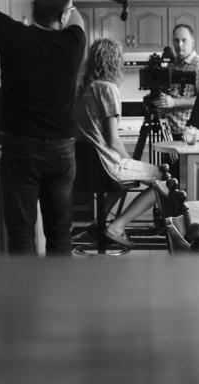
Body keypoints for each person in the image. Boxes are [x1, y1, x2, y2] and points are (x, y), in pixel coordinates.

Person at [0, 0, 86, 256]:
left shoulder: (12, 35)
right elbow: (77, 19)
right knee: (60, 233)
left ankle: (24, 299)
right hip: (61, 150)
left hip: (20, 149)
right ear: (62, 16)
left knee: (21, 235)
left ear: (33, 10)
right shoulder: (73, 43)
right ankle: (59, 296)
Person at [74, 38, 166, 248]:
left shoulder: (82, 89)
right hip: (107, 164)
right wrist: (129, 162)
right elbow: (113, 141)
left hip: (86, 165)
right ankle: (117, 226)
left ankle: (98, 223)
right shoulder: (107, 88)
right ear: (114, 62)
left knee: (124, 178)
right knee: (164, 180)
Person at [152, 24, 199, 140]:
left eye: (184, 40)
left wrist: (174, 102)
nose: (179, 45)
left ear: (192, 42)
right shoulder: (171, 65)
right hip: (166, 132)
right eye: (176, 40)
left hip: (186, 133)